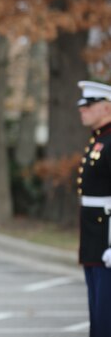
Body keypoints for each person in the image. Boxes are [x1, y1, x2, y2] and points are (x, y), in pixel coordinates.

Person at [76, 80, 111, 337]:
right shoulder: (99, 140)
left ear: (107, 108)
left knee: (105, 311)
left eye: (89, 105)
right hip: (94, 236)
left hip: (107, 236)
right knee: (97, 308)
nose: (82, 110)